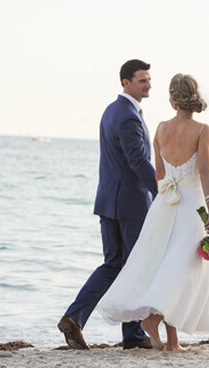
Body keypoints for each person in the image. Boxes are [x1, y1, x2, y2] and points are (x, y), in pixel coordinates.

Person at [98, 73, 209, 351]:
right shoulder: (203, 130)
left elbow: (160, 176)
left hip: (164, 203)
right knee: (183, 270)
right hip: (191, 205)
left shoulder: (161, 129)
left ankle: (173, 342)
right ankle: (153, 319)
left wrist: (158, 210)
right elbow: (204, 172)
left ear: (171, 99)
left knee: (167, 267)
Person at [57, 59, 158, 350]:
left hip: (108, 201)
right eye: (142, 80)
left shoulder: (112, 111)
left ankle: (75, 318)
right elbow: (137, 160)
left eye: (149, 80)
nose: (148, 85)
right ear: (126, 83)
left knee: (115, 263)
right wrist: (160, 191)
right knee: (134, 266)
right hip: (130, 204)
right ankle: (133, 335)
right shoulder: (127, 115)